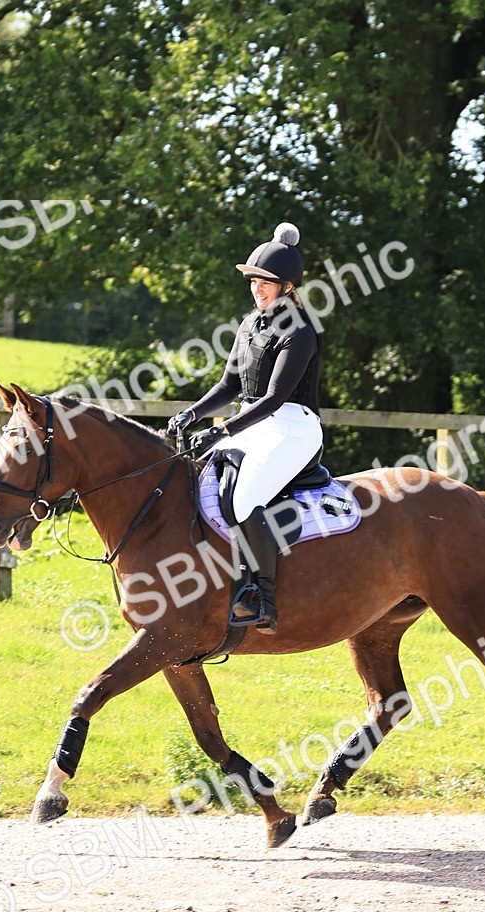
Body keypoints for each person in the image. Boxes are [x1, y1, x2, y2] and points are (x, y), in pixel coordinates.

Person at [167, 222, 323, 633]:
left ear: (288, 286)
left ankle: (263, 597)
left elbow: (274, 398)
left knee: (246, 496)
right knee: (198, 481)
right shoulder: (249, 324)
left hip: (293, 427)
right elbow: (229, 385)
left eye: (266, 282)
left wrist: (221, 432)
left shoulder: (300, 331)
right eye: (254, 280)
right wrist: (195, 413)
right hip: (252, 423)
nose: (257, 288)